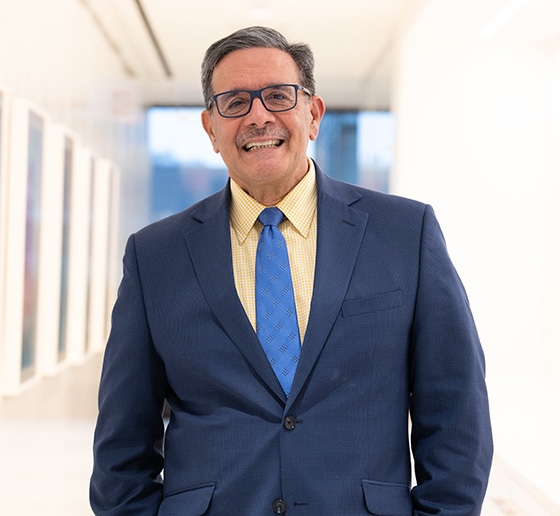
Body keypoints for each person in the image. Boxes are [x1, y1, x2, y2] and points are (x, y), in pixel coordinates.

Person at [90, 26, 493, 516]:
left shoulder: (407, 233)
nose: (258, 116)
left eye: (278, 96)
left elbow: (456, 413)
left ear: (314, 114)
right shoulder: (155, 255)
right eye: (234, 102)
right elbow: (121, 447)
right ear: (210, 128)